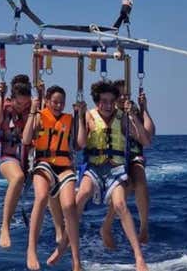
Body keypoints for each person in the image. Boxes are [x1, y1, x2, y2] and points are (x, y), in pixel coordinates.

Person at [75, 80, 151, 271]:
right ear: (97, 101)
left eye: (111, 101)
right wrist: (80, 117)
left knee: (121, 203)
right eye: (103, 101)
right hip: (94, 167)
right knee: (80, 197)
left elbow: (145, 139)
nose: (108, 105)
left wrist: (136, 113)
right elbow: (80, 144)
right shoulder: (89, 115)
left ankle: (139, 258)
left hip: (117, 167)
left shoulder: (124, 116)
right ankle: (72, 254)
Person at [22, 84, 83, 271]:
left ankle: (76, 262)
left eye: (61, 102)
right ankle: (31, 250)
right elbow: (25, 140)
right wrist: (33, 112)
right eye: (55, 102)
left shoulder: (69, 119)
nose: (58, 105)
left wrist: (80, 115)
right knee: (40, 197)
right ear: (47, 101)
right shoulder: (39, 116)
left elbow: (80, 144)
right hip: (44, 163)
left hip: (64, 166)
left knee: (70, 206)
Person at [101, 80, 156, 248]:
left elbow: (148, 136)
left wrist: (142, 109)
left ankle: (144, 227)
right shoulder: (110, 114)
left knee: (140, 180)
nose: (124, 97)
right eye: (121, 94)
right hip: (115, 159)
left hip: (134, 157)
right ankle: (106, 227)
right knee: (125, 185)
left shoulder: (134, 112)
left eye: (127, 94)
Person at [0, 74, 32, 248]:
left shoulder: (33, 108)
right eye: (19, 104)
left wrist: (39, 100)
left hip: (28, 156)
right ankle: (5, 227)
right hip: (7, 155)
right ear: (11, 99)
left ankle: (60, 229)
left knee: (49, 178)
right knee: (17, 178)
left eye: (26, 103)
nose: (22, 107)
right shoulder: (4, 107)